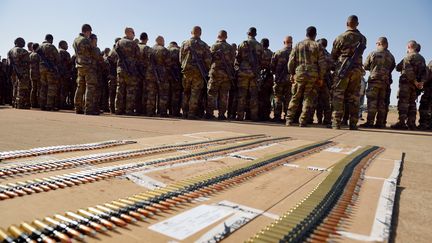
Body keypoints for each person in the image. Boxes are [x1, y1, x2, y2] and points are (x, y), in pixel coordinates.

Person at [330, 15, 367, 129]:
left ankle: (336, 123)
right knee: (354, 97)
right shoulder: (363, 38)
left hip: (343, 69)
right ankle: (353, 124)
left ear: (347, 23)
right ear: (357, 24)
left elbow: (333, 55)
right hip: (356, 71)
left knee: (338, 96)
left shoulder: (340, 37)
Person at [285, 26, 326, 127]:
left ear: (306, 34)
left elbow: (291, 61)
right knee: (308, 98)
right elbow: (322, 63)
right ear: (315, 35)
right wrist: (321, 77)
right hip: (313, 76)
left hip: (299, 74)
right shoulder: (318, 46)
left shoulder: (298, 45)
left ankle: (289, 120)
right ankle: (302, 121)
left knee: (295, 97)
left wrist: (291, 73)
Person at [360, 37, 395, 128]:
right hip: (385, 83)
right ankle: (380, 123)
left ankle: (370, 122)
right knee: (381, 103)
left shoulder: (373, 54)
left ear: (379, 43)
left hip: (374, 81)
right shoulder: (391, 56)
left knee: (372, 102)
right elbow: (392, 68)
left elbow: (366, 66)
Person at [391, 40, 427, 130]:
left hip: (406, 84)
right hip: (416, 86)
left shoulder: (408, 57)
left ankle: (402, 123)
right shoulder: (422, 58)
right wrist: (421, 82)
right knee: (412, 104)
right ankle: (412, 124)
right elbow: (424, 73)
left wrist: (415, 81)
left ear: (409, 46)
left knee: (403, 103)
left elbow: (405, 70)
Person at [179, 26, 211, 119]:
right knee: (195, 93)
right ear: (200, 33)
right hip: (198, 72)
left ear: (191, 32)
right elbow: (208, 61)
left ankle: (184, 112)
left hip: (186, 72)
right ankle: (191, 113)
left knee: (186, 92)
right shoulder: (204, 45)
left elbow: (180, 59)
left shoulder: (185, 43)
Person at [205, 30, 235, 120]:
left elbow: (209, 59)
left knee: (211, 94)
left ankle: (209, 113)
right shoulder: (230, 48)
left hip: (215, 74)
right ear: (226, 37)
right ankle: (222, 114)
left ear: (218, 36)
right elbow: (233, 60)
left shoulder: (214, 46)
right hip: (226, 74)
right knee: (224, 95)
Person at [235, 27, 263, 121]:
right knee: (254, 95)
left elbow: (238, 58)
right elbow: (261, 60)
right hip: (255, 73)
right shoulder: (259, 45)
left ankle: (240, 116)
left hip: (243, 72)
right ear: (255, 34)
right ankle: (254, 116)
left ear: (248, 33)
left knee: (241, 95)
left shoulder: (243, 44)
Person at [73, 24, 99, 115]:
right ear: (87, 31)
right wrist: (95, 46)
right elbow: (95, 53)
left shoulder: (75, 40)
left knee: (80, 87)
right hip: (88, 66)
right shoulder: (86, 40)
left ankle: (78, 107)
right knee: (90, 86)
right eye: (90, 32)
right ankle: (89, 108)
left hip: (79, 66)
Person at [114, 27, 140, 115]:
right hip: (130, 70)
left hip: (120, 69)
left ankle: (118, 109)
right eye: (133, 33)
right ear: (129, 33)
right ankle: (129, 110)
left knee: (120, 90)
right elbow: (138, 56)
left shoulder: (118, 42)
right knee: (130, 90)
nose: (134, 35)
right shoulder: (133, 44)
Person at [271, 36, 292, 122]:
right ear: (291, 42)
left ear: (284, 42)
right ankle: (288, 117)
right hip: (290, 79)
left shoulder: (278, 53)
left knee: (277, 98)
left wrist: (275, 73)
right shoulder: (294, 52)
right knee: (288, 98)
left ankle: (277, 117)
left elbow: (272, 66)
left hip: (279, 79)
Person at [7, 37, 31, 109]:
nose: (24, 43)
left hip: (13, 71)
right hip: (22, 71)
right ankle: (21, 104)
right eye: (23, 42)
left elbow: (9, 62)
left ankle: (14, 102)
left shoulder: (10, 51)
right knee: (22, 88)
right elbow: (28, 61)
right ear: (19, 42)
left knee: (15, 87)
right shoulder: (22, 51)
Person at [38, 34, 60, 111]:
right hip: (50, 69)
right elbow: (58, 58)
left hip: (41, 69)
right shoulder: (51, 46)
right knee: (51, 86)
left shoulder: (39, 47)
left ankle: (42, 104)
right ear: (51, 39)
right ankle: (49, 105)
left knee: (43, 86)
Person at [152, 35, 171, 116]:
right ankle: (162, 112)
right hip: (162, 75)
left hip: (150, 74)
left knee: (151, 93)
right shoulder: (164, 50)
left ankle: (150, 111)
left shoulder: (149, 50)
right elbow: (169, 64)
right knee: (163, 94)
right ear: (162, 41)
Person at [167, 41, 182, 117]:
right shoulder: (178, 50)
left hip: (166, 75)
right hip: (176, 75)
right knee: (176, 94)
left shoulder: (166, 50)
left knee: (167, 93)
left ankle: (167, 110)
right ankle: (175, 112)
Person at [58, 40, 72, 109]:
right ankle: (62, 103)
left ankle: (57, 103)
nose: (67, 46)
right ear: (62, 45)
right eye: (66, 44)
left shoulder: (56, 51)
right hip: (64, 74)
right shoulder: (65, 53)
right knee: (64, 89)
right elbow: (70, 63)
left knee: (58, 89)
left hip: (57, 74)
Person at [418, 60, 432, 130]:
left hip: (430, 90)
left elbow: (427, 75)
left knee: (424, 107)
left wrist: (422, 83)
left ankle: (424, 124)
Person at [29, 43, 40, 108]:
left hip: (32, 73)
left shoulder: (30, 55)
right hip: (37, 73)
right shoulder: (38, 55)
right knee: (38, 88)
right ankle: (38, 102)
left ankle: (32, 103)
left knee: (33, 89)